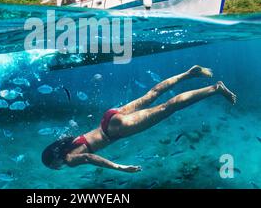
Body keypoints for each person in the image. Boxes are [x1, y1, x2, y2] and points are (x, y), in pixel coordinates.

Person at [42, 66, 236, 173]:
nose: (57, 168)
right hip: (108, 118)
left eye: (53, 166)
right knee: (152, 93)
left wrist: (119, 167)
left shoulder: (69, 159)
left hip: (117, 130)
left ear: (54, 160)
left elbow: (89, 157)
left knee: (167, 107)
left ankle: (214, 89)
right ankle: (187, 74)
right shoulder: (67, 142)